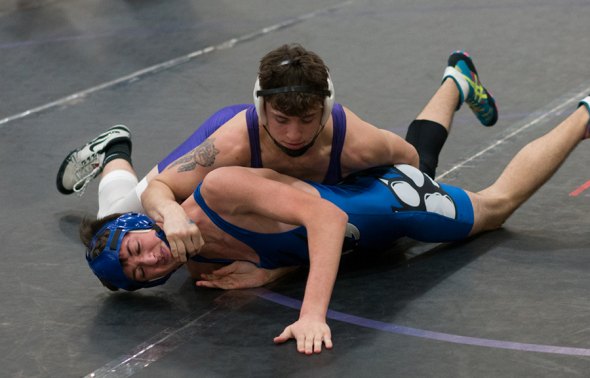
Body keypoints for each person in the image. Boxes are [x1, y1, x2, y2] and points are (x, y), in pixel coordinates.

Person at [57, 45, 498, 263]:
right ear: (263, 110)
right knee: (122, 209)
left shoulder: (356, 140)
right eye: (281, 120)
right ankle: (115, 149)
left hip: (316, 166)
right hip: (233, 147)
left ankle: (456, 82)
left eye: (303, 121)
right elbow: (162, 188)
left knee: (419, 181)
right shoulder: (230, 143)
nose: (292, 133)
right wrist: (171, 216)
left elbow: (413, 163)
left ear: (321, 112)